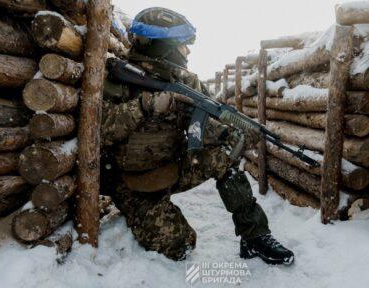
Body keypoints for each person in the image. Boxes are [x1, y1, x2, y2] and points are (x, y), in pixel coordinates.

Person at [101, 7, 294, 265]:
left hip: (171, 169)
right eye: (182, 45)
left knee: (223, 157)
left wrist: (234, 133)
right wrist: (145, 106)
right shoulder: (116, 78)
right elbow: (100, 131)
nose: (188, 52)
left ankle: (255, 236)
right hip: (132, 183)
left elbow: (208, 122)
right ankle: (146, 212)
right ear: (162, 45)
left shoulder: (185, 82)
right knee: (180, 245)